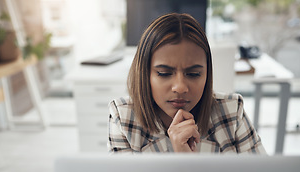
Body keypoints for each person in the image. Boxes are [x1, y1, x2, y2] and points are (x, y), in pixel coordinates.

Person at [108, 13, 266, 154]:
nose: (180, 87)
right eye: (164, 73)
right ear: (145, 74)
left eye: (193, 74)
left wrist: (188, 162)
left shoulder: (231, 111)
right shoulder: (123, 118)